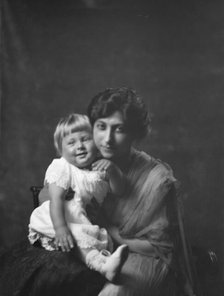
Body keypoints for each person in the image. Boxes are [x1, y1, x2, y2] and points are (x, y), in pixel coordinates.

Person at [0, 87, 196, 296]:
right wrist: (62, 201)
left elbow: (160, 248)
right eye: (101, 127)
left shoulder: (157, 178)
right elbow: (46, 195)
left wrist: (108, 230)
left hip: (139, 256)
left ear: (134, 134)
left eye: (119, 129)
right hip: (88, 242)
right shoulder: (82, 158)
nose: (107, 139)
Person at [28, 113, 129, 282]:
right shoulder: (62, 166)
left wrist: (113, 170)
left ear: (97, 142)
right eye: (71, 142)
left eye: (85, 139)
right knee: (75, 234)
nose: (80, 146)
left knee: (88, 235)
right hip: (57, 218)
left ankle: (106, 262)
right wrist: (60, 228)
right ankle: (101, 265)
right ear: (61, 149)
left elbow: (120, 190)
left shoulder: (100, 168)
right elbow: (56, 199)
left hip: (83, 219)